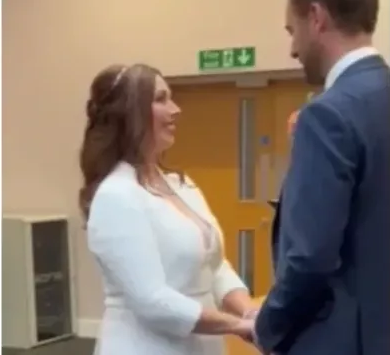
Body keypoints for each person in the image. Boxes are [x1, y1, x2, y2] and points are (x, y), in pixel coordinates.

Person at [252, 0, 390, 355]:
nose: (293, 49)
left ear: (316, 17)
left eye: (292, 31)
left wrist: (267, 325)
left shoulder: (326, 114)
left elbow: (311, 256)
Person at [80, 64, 257, 355]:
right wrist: (238, 325)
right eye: (161, 99)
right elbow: (152, 301)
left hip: (202, 345)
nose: (176, 110)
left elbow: (214, 266)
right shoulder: (117, 195)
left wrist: (249, 312)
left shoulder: (181, 184)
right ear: (131, 113)